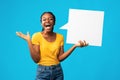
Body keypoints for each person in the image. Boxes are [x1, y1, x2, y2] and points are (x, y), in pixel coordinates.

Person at [16, 12, 88, 80]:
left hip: (58, 71)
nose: (47, 21)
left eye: (50, 19)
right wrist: (29, 41)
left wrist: (74, 46)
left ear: (54, 22)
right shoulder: (37, 36)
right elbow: (36, 60)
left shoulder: (60, 37)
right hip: (42, 71)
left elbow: (60, 58)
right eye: (44, 19)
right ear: (41, 23)